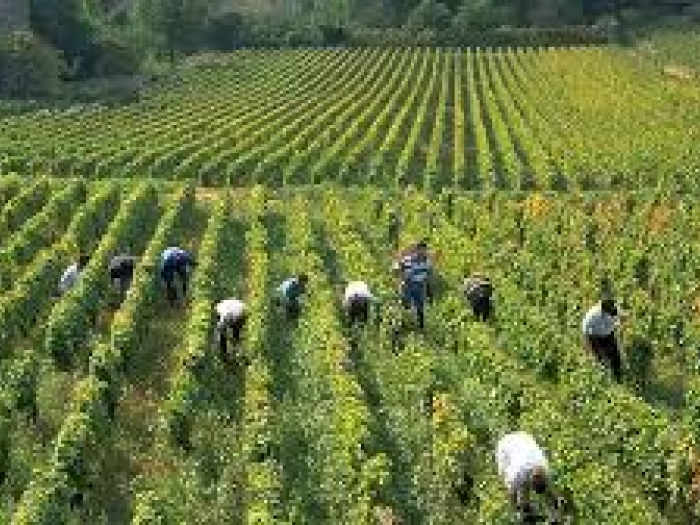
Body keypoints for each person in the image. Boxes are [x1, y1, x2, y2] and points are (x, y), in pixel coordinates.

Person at [496, 431, 559, 522]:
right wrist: (515, 511)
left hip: (524, 438)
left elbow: (550, 493)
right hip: (504, 448)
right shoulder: (516, 474)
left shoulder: (545, 468)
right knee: (521, 487)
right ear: (531, 479)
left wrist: (555, 511)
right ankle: (525, 513)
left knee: (524, 486)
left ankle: (531, 512)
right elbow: (511, 494)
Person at [393, 240, 432, 331]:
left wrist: (429, 290)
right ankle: (402, 325)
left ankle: (421, 327)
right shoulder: (408, 259)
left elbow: (428, 275)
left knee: (420, 307)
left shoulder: (427, 261)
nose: (423, 252)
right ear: (417, 250)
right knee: (405, 305)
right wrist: (400, 277)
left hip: (420, 285)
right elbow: (397, 267)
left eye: (424, 250)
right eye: (421, 250)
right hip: (408, 285)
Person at [582, 298, 623, 381]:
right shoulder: (596, 318)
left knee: (615, 355)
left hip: (602, 330)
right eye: (611, 313)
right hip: (593, 334)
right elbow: (606, 332)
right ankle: (605, 375)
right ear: (604, 312)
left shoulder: (608, 308)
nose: (613, 313)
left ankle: (617, 374)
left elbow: (617, 314)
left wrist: (620, 317)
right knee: (601, 356)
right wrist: (617, 324)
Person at [215, 298, 248, 365]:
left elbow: (237, 324)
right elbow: (221, 330)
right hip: (225, 305)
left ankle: (237, 352)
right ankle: (224, 355)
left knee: (236, 334)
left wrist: (233, 339)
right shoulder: (219, 310)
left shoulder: (239, 314)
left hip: (240, 310)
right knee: (222, 337)